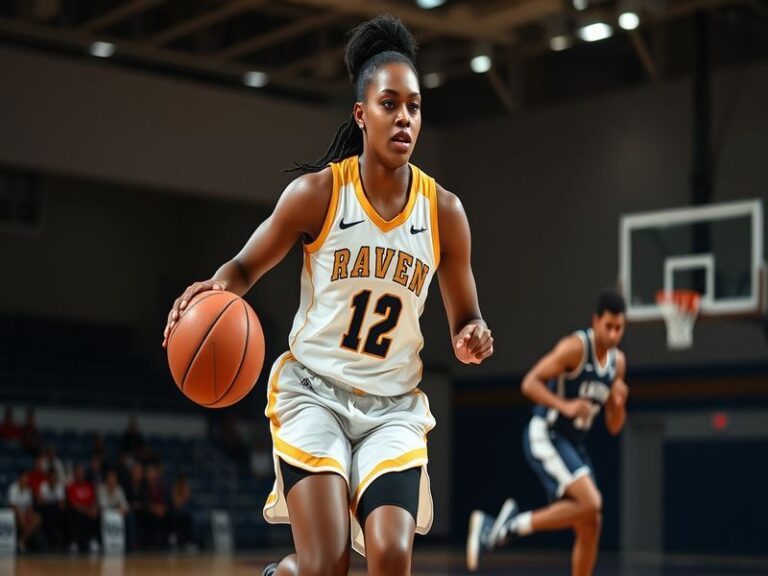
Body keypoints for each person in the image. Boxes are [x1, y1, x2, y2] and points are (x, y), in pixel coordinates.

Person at [162, 14, 493, 576]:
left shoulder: (444, 213)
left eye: (414, 106)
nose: (405, 118)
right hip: (314, 395)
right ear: (361, 114)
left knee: (390, 556)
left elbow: (466, 316)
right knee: (327, 565)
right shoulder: (318, 194)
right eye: (390, 104)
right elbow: (245, 266)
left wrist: (471, 336)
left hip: (392, 410)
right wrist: (213, 289)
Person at [466, 290, 630, 576]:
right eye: (609, 327)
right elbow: (530, 383)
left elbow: (614, 427)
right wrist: (563, 405)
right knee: (592, 503)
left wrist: (618, 405)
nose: (614, 334)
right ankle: (504, 529)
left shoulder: (618, 364)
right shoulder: (575, 348)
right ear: (596, 321)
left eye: (620, 328)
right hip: (546, 433)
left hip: (573, 443)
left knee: (591, 522)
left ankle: (500, 527)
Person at [7, 471, 41, 552]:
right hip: (14, 513)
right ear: (20, 478)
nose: (26, 480)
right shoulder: (13, 488)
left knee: (37, 518)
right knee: (20, 515)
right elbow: (13, 505)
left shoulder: (28, 490)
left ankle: (22, 540)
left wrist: (29, 514)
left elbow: (29, 507)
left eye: (27, 478)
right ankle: (22, 541)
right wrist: (22, 514)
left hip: (25, 513)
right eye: (24, 478)